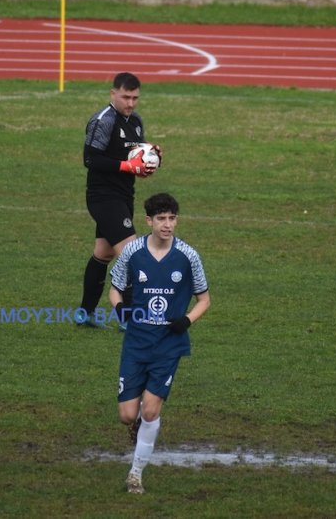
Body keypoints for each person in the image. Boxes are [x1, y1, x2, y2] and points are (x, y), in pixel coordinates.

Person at [108, 192, 211, 494]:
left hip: (169, 345)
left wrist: (188, 320)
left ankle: (135, 474)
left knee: (150, 412)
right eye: (161, 219)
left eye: (172, 218)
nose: (168, 225)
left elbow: (204, 299)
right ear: (149, 221)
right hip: (137, 342)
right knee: (128, 415)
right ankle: (140, 423)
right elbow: (114, 289)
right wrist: (119, 309)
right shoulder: (132, 253)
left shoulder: (188, 257)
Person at [79, 72, 161, 329]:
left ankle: (85, 313)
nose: (131, 103)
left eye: (135, 97)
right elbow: (90, 159)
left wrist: (151, 158)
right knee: (132, 254)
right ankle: (129, 319)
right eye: (126, 97)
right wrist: (127, 166)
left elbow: (136, 156)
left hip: (125, 196)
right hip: (103, 197)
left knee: (102, 254)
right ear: (113, 93)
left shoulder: (135, 121)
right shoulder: (103, 121)